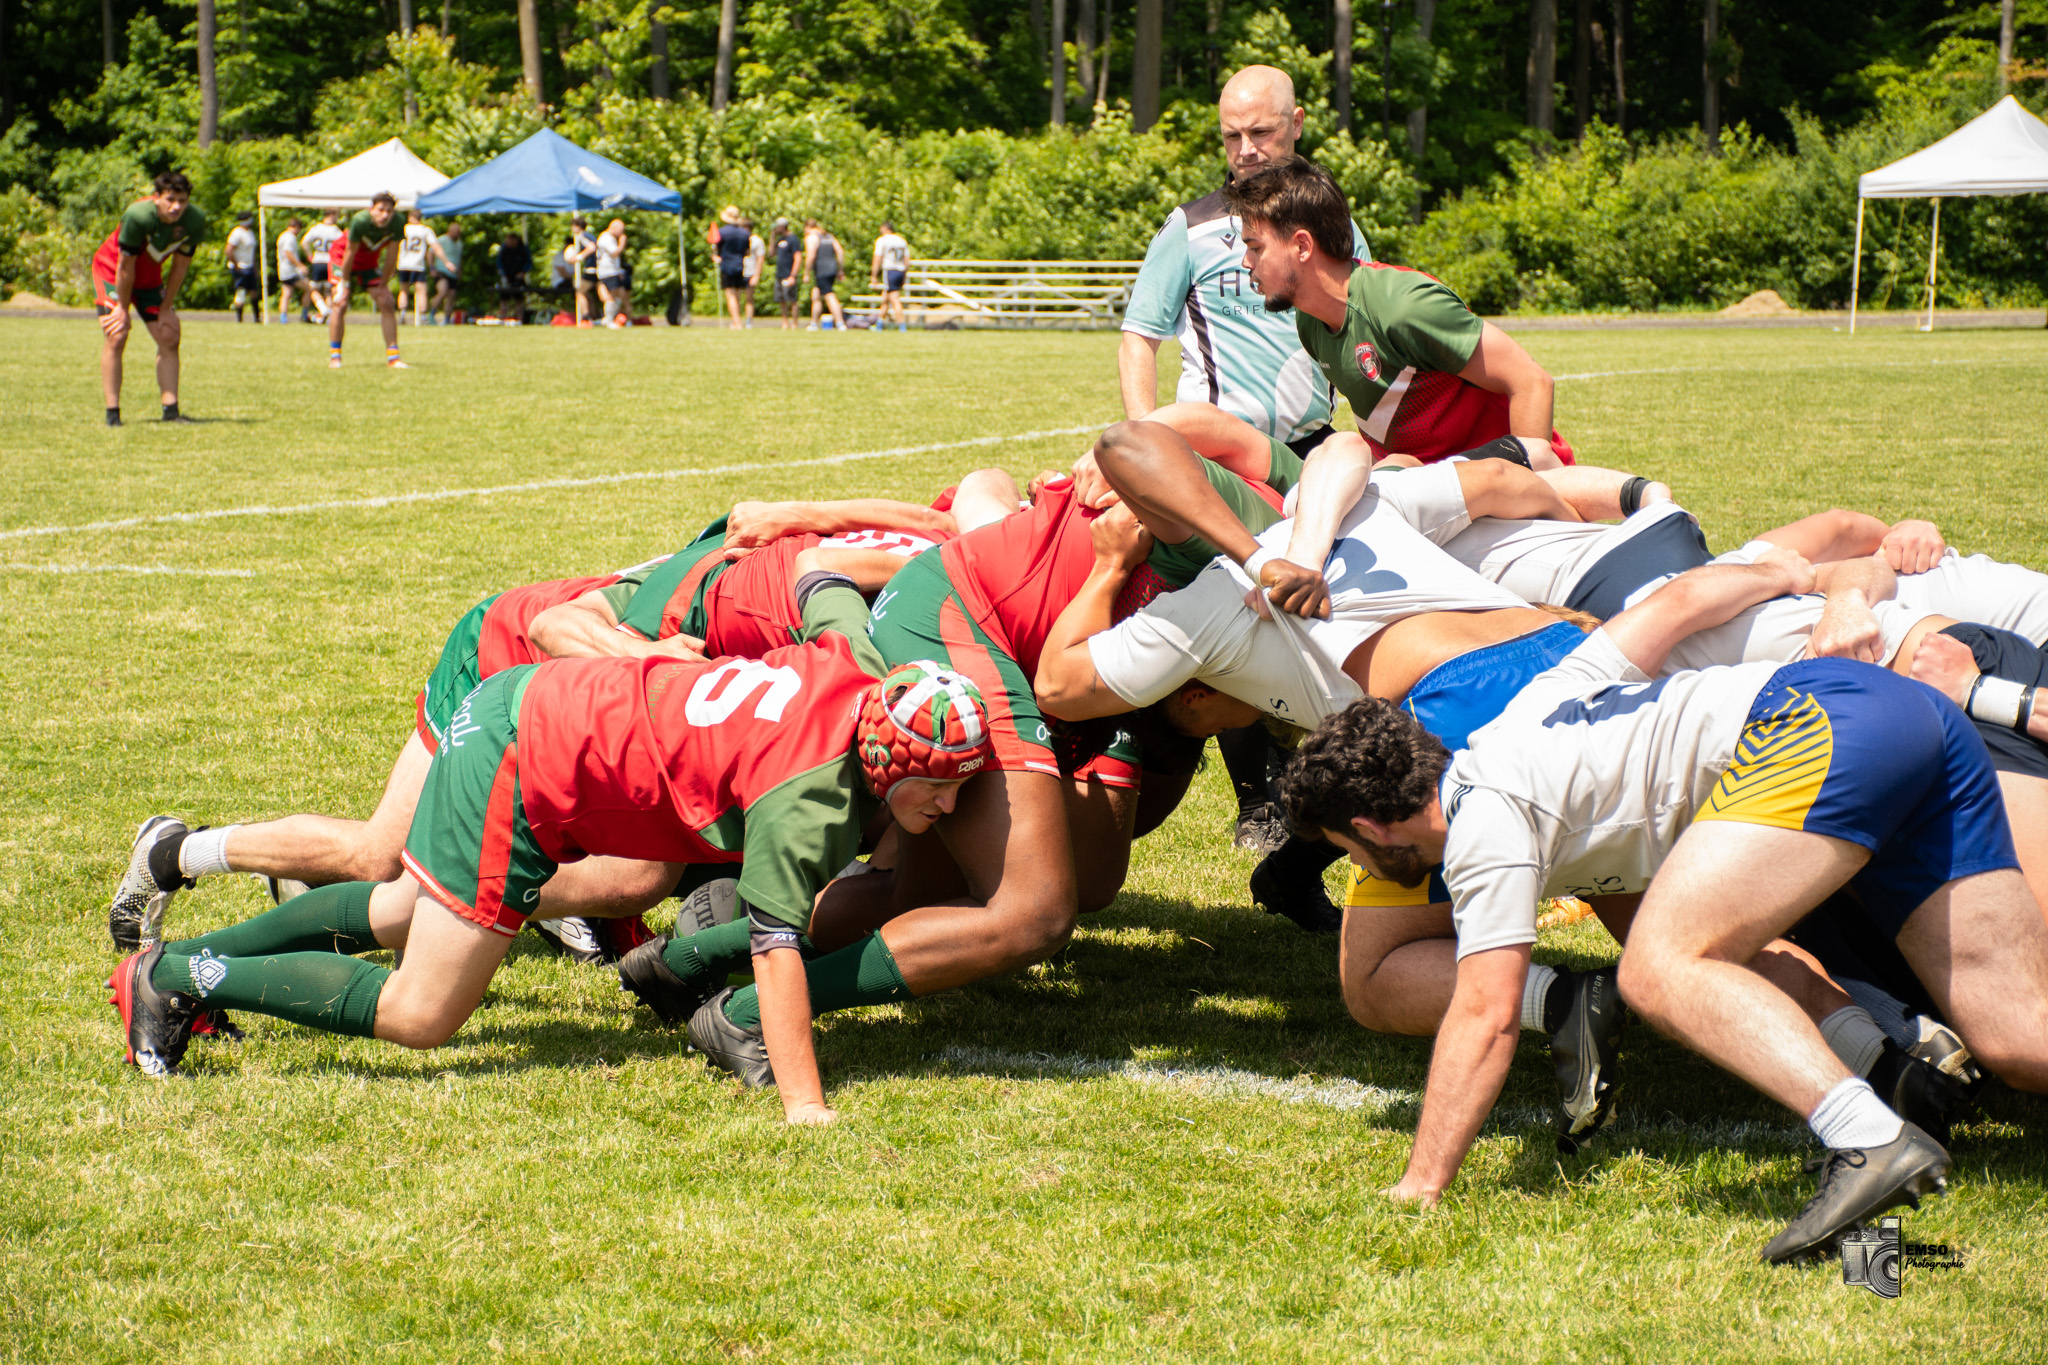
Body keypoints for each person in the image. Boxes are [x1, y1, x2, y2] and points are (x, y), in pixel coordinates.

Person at [1279, 553, 2048, 1263]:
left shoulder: (1483, 824)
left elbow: (1485, 1016)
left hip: (1819, 721)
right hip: (1905, 710)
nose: (1359, 863)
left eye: (1348, 849)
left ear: (1371, 826)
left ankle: (1868, 1138)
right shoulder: (1517, 721)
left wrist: (1420, 1183)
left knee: (1659, 965)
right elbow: (1679, 600)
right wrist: (1788, 570)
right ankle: (1875, 1113)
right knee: (2018, 1036)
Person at [109, 580, 992, 1137]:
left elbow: (825, 582)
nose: (953, 807)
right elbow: (776, 949)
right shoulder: (812, 798)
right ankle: (174, 972)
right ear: (880, 763)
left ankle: (195, 966)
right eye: (943, 787)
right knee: (423, 1010)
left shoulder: (860, 664)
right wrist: (806, 1107)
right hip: (528, 759)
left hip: (541, 718)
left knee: (400, 912)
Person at [105, 489, 979, 956]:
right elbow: (560, 629)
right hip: (505, 654)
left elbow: (953, 519)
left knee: (642, 868)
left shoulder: (894, 567)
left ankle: (509, 896)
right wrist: (655, 663)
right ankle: (180, 851)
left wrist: (808, 510)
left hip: (572, 697)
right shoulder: (738, 601)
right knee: (387, 858)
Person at [1225, 156, 1573, 469]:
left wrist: (1529, 497)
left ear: (1302, 245)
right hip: (1432, 494)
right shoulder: (1310, 322)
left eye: (1255, 247)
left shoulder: (1402, 307)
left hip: (1507, 489)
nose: (1246, 262)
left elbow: (1531, 381)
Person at [92, 169, 208, 426]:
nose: (176, 207)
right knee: (117, 333)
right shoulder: (138, 216)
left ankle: (171, 411)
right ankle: (113, 414)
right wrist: (121, 307)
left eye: (183, 201)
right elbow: (124, 266)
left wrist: (166, 308)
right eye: (170, 200)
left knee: (168, 334)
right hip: (112, 272)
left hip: (147, 280)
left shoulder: (194, 220)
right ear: (156, 197)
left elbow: (180, 267)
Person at [326, 191, 408, 369]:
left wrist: (383, 285)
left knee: (386, 302)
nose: (385, 215)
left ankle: (393, 358)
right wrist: (344, 284)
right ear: (371, 209)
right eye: (380, 210)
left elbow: (392, 256)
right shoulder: (360, 220)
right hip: (342, 260)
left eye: (389, 211)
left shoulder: (397, 222)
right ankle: (335, 357)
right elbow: (349, 252)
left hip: (368, 264)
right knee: (340, 303)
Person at [274, 216, 325, 324]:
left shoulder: (282, 236)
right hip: (291, 270)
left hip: (282, 270)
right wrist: (300, 265)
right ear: (296, 227)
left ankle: (283, 318)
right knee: (309, 288)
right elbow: (288, 253)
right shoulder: (290, 237)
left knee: (286, 293)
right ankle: (304, 315)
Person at [708, 206, 750, 331]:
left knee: (730, 294)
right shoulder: (745, 233)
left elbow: (715, 250)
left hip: (727, 265)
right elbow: (747, 252)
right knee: (737, 293)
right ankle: (735, 320)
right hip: (740, 265)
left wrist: (715, 257)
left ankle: (737, 323)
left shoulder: (721, 232)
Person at [804, 220, 847, 332]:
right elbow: (840, 252)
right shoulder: (828, 236)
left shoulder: (811, 237)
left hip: (821, 270)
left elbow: (811, 255)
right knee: (816, 294)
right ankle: (814, 323)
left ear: (807, 227)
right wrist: (840, 269)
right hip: (831, 269)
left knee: (829, 295)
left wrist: (806, 273)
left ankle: (840, 323)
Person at [396, 209, 436, 325]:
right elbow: (432, 246)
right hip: (418, 264)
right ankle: (423, 316)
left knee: (403, 290)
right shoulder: (425, 230)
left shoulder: (404, 229)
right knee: (421, 290)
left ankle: (402, 314)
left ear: (410, 217)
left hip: (403, 263)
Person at [871, 221, 909, 331]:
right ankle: (879, 324)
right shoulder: (901, 240)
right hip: (900, 270)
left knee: (894, 298)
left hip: (890, 270)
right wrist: (904, 274)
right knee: (886, 297)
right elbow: (907, 260)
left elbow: (877, 258)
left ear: (883, 228)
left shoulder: (882, 240)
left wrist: (874, 275)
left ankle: (902, 325)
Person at [301, 210, 341, 312]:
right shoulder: (336, 231)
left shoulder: (317, 228)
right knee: (328, 290)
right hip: (331, 262)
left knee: (313, 289)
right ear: (332, 214)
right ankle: (329, 313)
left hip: (318, 260)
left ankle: (323, 309)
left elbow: (304, 243)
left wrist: (309, 255)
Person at [223, 211, 260, 323]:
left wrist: (255, 267)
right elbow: (228, 250)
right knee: (241, 292)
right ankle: (239, 319)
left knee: (254, 292)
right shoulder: (237, 233)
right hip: (240, 267)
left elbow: (252, 252)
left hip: (249, 266)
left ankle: (256, 318)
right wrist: (236, 264)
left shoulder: (250, 233)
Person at [595, 219, 630, 328]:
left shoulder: (609, 238)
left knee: (620, 294)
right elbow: (615, 253)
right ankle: (609, 320)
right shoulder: (606, 238)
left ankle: (611, 317)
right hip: (608, 271)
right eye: (621, 230)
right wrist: (622, 243)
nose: (622, 233)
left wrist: (618, 270)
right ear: (613, 228)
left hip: (613, 270)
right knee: (611, 295)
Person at [428, 221, 463, 325]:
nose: (458, 234)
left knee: (451, 296)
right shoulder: (441, 240)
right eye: (456, 232)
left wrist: (460, 271)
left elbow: (459, 259)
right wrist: (431, 268)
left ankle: (447, 319)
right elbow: (430, 253)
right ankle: (432, 313)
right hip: (441, 271)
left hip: (454, 274)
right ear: (451, 231)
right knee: (442, 291)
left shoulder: (459, 243)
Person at [771, 218, 802, 330]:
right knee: (781, 299)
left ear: (783, 226)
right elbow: (771, 254)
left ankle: (794, 323)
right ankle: (785, 322)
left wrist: (793, 275)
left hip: (789, 274)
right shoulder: (779, 240)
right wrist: (772, 237)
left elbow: (798, 258)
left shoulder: (793, 239)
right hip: (779, 274)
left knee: (792, 299)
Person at [494, 231, 531, 323]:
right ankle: (503, 318)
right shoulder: (504, 249)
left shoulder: (523, 249)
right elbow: (499, 262)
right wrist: (502, 273)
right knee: (503, 298)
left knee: (519, 299)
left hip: (519, 277)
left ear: (515, 240)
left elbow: (529, 262)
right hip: (506, 277)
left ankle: (519, 320)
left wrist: (523, 272)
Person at [741, 218, 765, 327]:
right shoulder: (738, 238)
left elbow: (760, 258)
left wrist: (757, 275)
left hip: (750, 271)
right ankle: (736, 320)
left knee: (749, 298)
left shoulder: (757, 240)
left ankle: (749, 320)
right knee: (735, 297)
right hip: (738, 270)